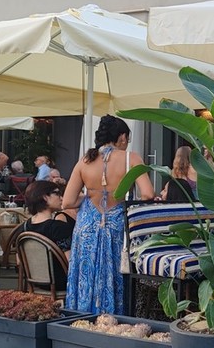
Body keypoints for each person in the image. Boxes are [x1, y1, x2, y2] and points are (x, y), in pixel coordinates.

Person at [62, 116, 155, 315]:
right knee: (116, 274)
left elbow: (67, 202)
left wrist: (90, 197)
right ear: (122, 137)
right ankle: (115, 319)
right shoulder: (131, 158)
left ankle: (81, 318)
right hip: (117, 224)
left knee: (86, 274)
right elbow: (148, 194)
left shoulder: (84, 161)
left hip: (87, 225)